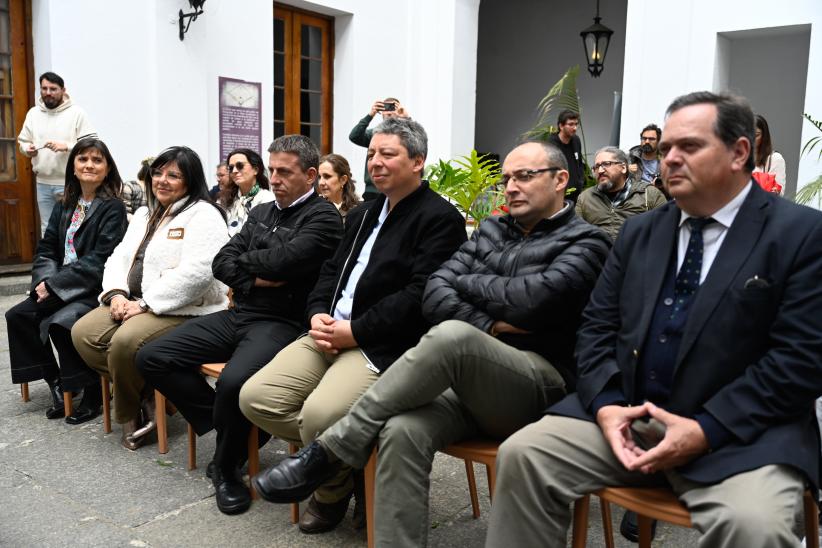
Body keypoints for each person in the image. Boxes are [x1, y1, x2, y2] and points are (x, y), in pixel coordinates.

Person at [485, 91, 822, 548]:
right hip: (628, 415)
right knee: (525, 454)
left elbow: (801, 361)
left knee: (753, 525)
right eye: (665, 150)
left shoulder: (801, 234)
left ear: (740, 152)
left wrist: (706, 430)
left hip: (742, 434)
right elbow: (597, 328)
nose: (670, 160)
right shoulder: (642, 231)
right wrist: (605, 406)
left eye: (690, 147)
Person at [247, 140, 612, 546]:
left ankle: (329, 450)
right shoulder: (493, 229)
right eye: (506, 178)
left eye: (524, 176)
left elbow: (532, 303)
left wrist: (471, 293)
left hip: (540, 383)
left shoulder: (589, 243)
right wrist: (492, 321)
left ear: (561, 180)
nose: (510, 187)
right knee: (401, 430)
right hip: (466, 381)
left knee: (455, 335)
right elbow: (436, 293)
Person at [239, 117, 467, 534]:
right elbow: (330, 270)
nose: (375, 162)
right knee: (255, 397)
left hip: (379, 343)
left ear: (417, 161)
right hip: (327, 330)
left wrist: (356, 331)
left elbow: (420, 296)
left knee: (318, 415)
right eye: (371, 153)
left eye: (387, 154)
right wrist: (317, 313)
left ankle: (327, 494)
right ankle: (352, 466)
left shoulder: (439, 219)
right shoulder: (365, 212)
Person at [136, 135, 343, 516]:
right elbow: (222, 262)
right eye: (272, 170)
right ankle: (238, 427)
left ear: (311, 175)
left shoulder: (324, 217)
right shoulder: (263, 212)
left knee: (234, 381)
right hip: (241, 314)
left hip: (282, 322)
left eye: (285, 172)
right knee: (153, 356)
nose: (275, 178)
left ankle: (227, 467)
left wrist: (251, 266)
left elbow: (286, 261)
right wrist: (257, 276)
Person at [71, 146, 229, 449]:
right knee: (82, 333)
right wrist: (116, 294)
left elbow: (200, 273)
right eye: (158, 173)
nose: (162, 180)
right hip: (133, 301)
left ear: (190, 180)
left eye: (173, 175)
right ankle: (148, 395)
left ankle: (128, 415)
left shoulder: (204, 214)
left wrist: (145, 304)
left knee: (124, 343)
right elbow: (119, 257)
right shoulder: (145, 213)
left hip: (183, 307)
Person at [6, 137, 126, 421]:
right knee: (18, 316)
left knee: (62, 323)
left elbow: (101, 259)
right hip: (59, 282)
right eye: (83, 159)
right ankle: (58, 382)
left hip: (91, 286)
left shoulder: (113, 208)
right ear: (73, 166)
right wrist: (44, 281)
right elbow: (47, 248)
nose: (89, 165)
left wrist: (55, 285)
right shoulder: (64, 203)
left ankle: (91, 392)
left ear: (107, 169)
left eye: (97, 160)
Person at [17, 72, 97, 235]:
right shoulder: (33, 113)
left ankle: (71, 262)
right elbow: (23, 142)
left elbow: (93, 145)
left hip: (70, 182)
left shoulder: (77, 113)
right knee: (47, 228)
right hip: (42, 183)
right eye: (44, 88)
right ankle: (49, 261)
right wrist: (27, 149)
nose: (48, 92)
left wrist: (66, 146)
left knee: (72, 227)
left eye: (53, 89)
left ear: (63, 90)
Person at [576, 146, 667, 241]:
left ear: (623, 168)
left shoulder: (649, 194)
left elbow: (664, 233)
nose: (600, 171)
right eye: (596, 167)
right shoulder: (585, 198)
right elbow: (576, 235)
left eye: (606, 164)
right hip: (599, 254)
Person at [349, 97, 410, 201]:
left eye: (393, 108)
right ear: (381, 112)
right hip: (372, 191)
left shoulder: (404, 134)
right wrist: (370, 115)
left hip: (396, 189)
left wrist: (406, 118)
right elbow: (354, 136)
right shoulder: (374, 134)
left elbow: (416, 141)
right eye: (386, 108)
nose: (389, 112)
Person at [221, 148, 275, 236]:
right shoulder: (223, 199)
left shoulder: (268, 199)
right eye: (231, 168)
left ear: (256, 170)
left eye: (240, 166)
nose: (234, 171)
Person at [547, 109, 585, 202]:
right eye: (571, 124)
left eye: (576, 124)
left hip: (576, 193)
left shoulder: (576, 140)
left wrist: (580, 181)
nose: (575, 128)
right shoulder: (551, 144)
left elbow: (579, 163)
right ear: (561, 126)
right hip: (559, 194)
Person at [753, 114, 786, 195]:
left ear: (764, 136)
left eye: (756, 135)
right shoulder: (739, 157)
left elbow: (779, 192)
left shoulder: (775, 159)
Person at [120, 157, 151, 222]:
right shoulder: (130, 186)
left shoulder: (155, 190)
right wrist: (139, 223)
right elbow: (124, 212)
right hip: (130, 226)